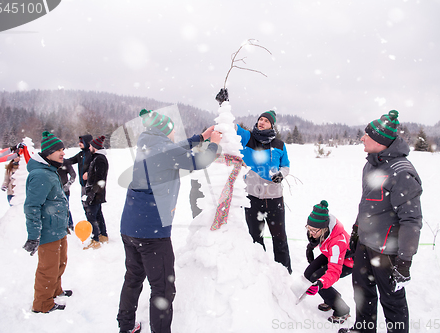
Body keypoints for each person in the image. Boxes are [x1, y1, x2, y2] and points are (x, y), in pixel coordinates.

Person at [116, 109, 221, 333]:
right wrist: (212, 144)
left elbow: (173, 149)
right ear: (166, 132)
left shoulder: (148, 144)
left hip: (130, 227)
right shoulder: (163, 149)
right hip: (152, 233)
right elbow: (198, 161)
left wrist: (199, 138)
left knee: (133, 278)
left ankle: (125, 326)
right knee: (162, 288)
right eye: (173, 130)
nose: (175, 134)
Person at [339, 110, 422, 333]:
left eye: (366, 135)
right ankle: (363, 329)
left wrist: (404, 260)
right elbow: (366, 204)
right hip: (366, 244)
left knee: (392, 301)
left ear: (380, 141)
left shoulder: (402, 173)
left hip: (388, 251)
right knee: (362, 290)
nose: (361, 138)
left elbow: (412, 220)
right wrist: (356, 234)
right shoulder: (371, 164)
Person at [216, 88, 292, 274]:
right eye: (260, 119)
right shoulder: (248, 138)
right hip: (252, 198)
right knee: (255, 237)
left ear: (272, 125)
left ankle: (284, 273)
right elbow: (230, 126)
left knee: (279, 238)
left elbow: (286, 166)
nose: (262, 122)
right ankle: (260, 273)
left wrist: (281, 174)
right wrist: (223, 105)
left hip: (275, 199)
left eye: (266, 120)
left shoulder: (279, 145)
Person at [23, 131, 72, 313]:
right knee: (48, 269)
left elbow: (55, 202)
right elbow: (32, 207)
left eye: (63, 149)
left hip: (58, 229)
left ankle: (55, 291)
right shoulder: (41, 175)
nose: (63, 153)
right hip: (48, 231)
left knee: (60, 263)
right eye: (59, 150)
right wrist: (33, 236)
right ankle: (43, 304)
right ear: (48, 152)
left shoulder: (50, 171)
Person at [303, 200, 353, 324]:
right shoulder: (322, 227)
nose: (311, 233)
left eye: (315, 231)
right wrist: (311, 246)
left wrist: (320, 284)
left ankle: (342, 310)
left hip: (346, 262)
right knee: (308, 274)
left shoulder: (337, 243)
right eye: (309, 229)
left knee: (317, 278)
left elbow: (334, 272)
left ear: (324, 229)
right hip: (330, 253)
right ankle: (331, 298)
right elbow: (318, 237)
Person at [82, 135, 109, 250]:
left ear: (95, 147)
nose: (89, 148)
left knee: (91, 216)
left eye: (91, 146)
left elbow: (100, 180)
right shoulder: (97, 158)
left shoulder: (100, 159)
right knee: (97, 215)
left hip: (96, 193)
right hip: (96, 193)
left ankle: (95, 240)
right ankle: (103, 235)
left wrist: (91, 194)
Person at [66, 135, 93, 215]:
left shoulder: (92, 154)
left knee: (91, 208)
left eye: (81, 142)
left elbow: (97, 167)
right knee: (85, 206)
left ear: (87, 143)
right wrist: (58, 161)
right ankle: (90, 224)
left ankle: (94, 225)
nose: (79, 144)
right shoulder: (81, 154)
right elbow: (69, 161)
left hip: (91, 186)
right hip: (83, 185)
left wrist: (89, 173)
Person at [57, 158, 76, 232]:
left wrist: (68, 184)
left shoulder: (65, 162)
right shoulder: (50, 162)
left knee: (65, 208)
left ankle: (69, 225)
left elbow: (73, 174)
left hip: (64, 191)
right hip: (52, 190)